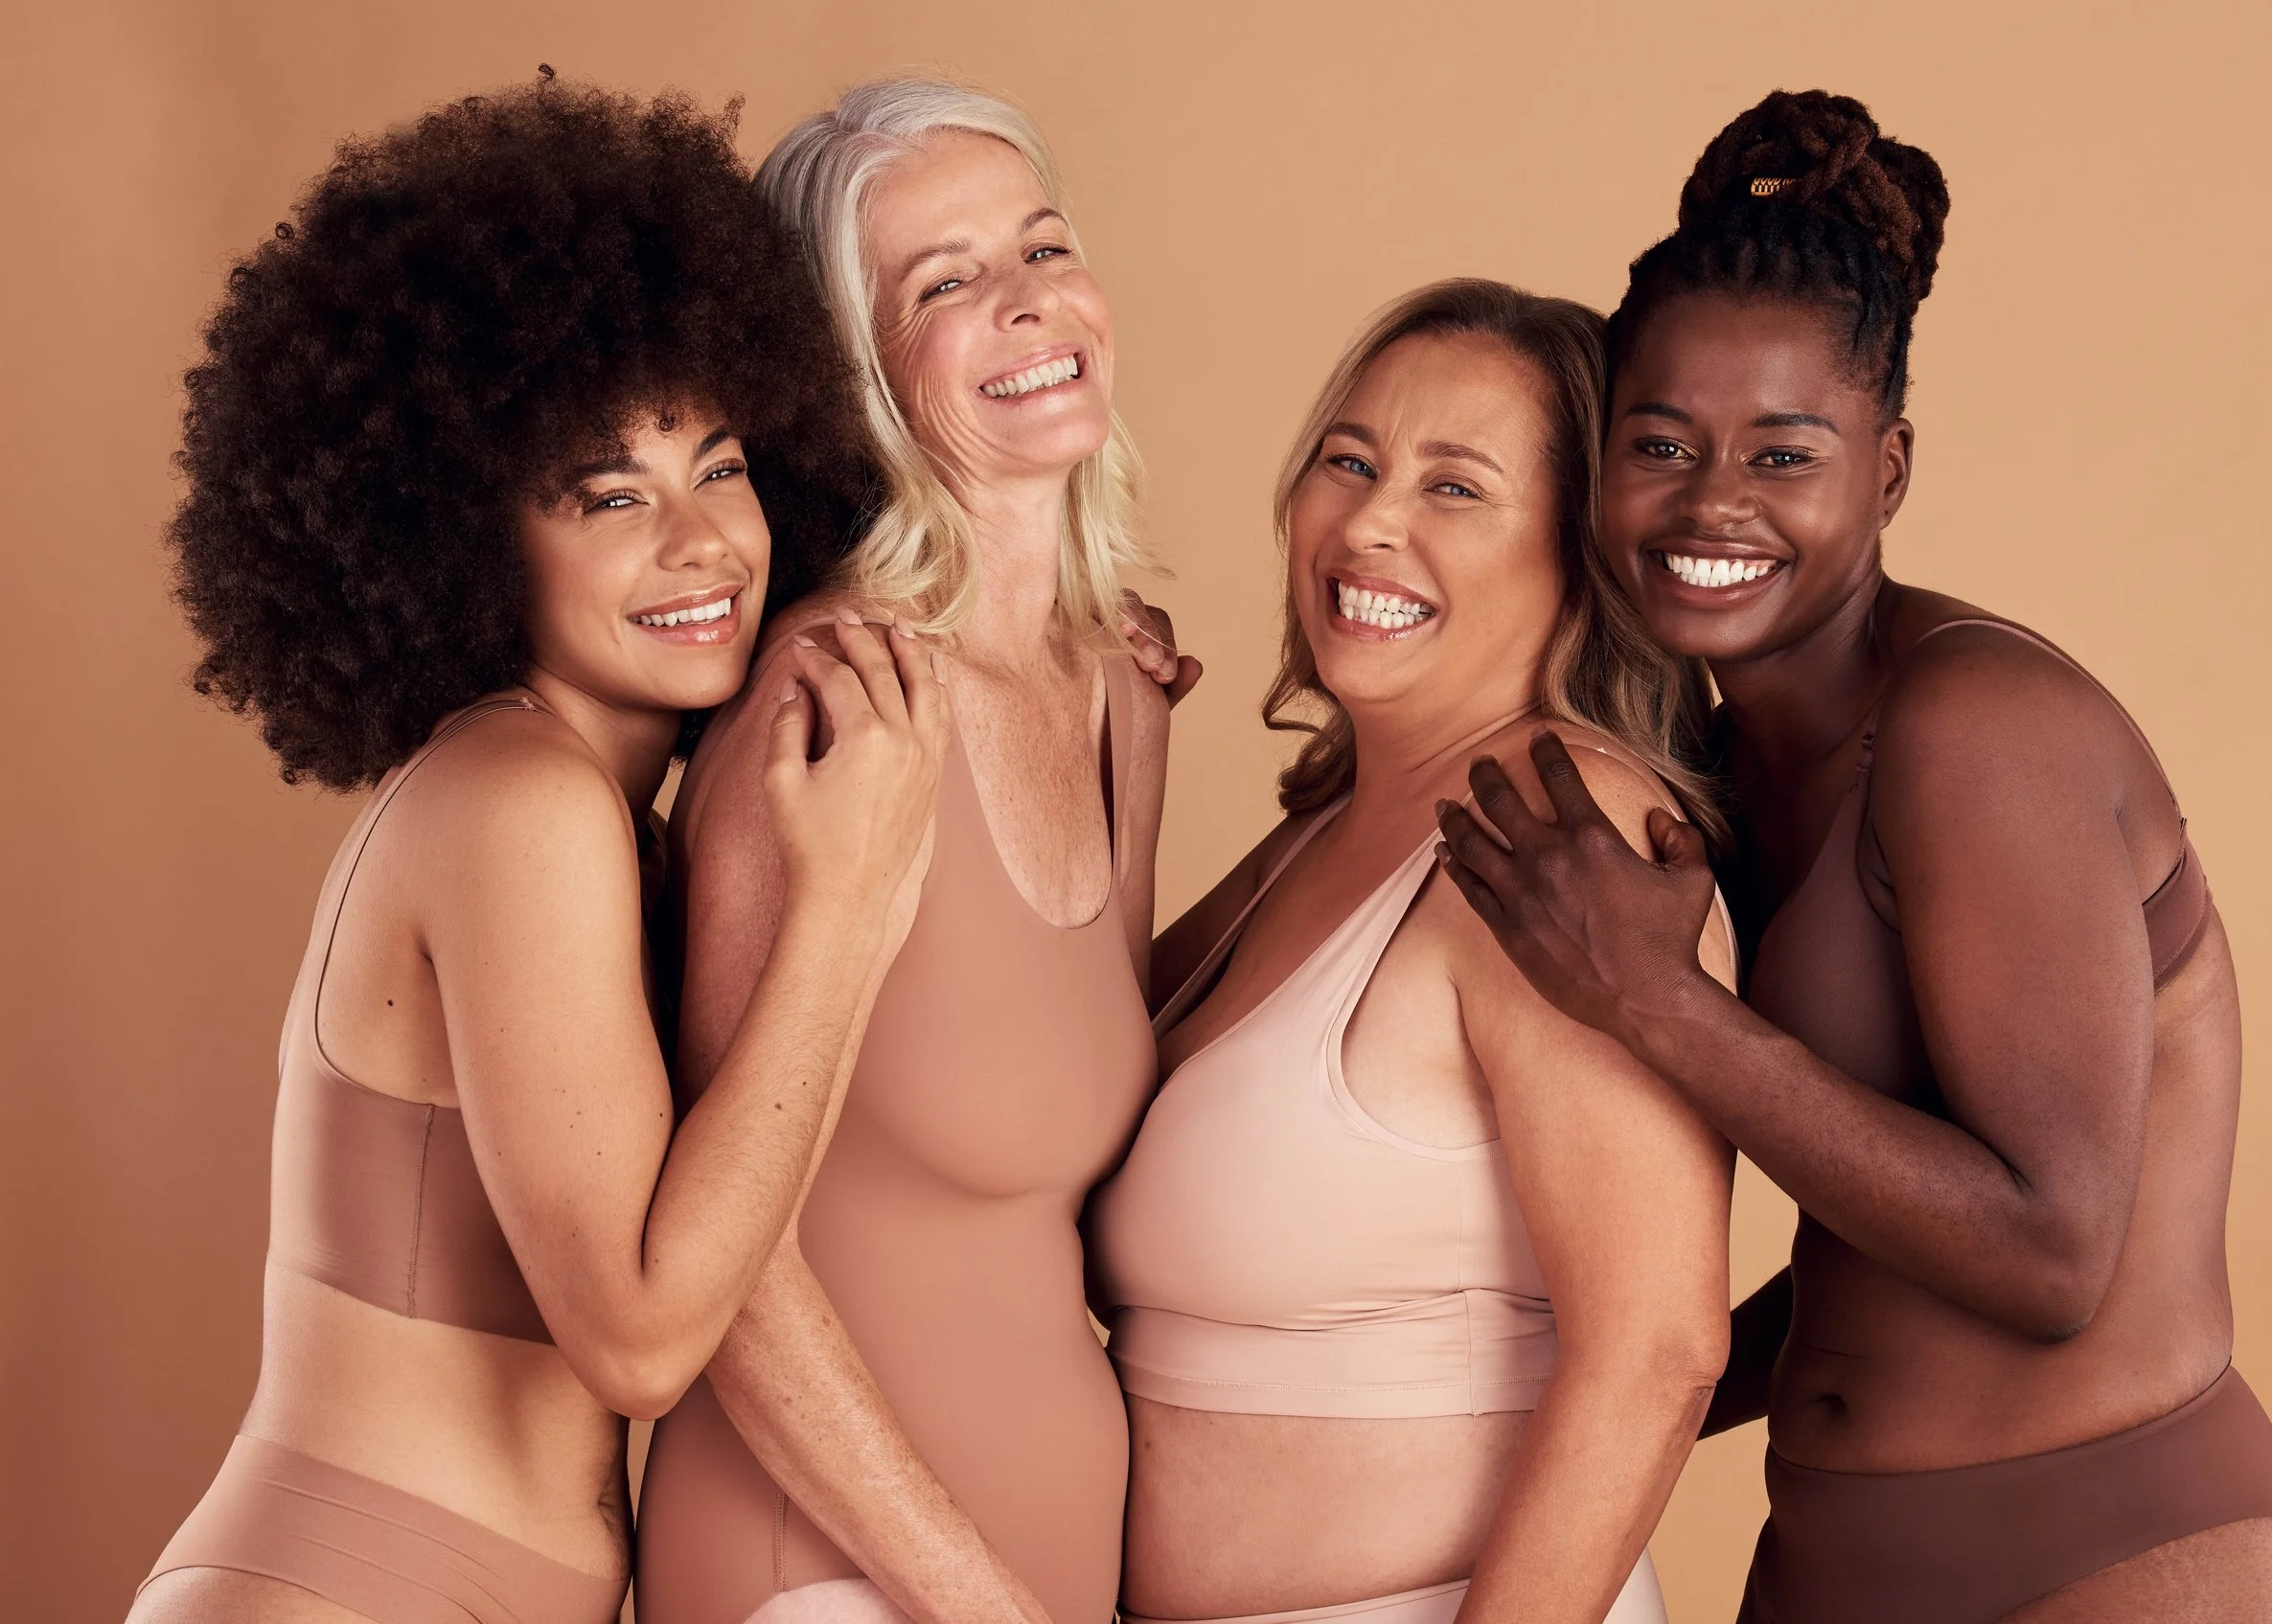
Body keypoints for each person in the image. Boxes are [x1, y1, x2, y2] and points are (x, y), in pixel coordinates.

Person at [1433, 90, 2272, 1624]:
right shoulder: (1721, 759)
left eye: (1785, 455)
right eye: (1662, 443)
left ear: (1890, 468)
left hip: (2118, 1555)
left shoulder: (1979, 729)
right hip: (1832, 1554)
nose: (1714, 501)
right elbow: (1876, 1229)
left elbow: (2053, 1251)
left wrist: (1656, 1002)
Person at [128, 77, 946, 1624]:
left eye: (718, 465)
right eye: (607, 495)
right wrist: (847, 899)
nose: (700, 542)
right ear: (462, 530)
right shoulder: (521, 804)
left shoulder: (588, 814)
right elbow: (638, 1337)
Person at [1089, 280, 1734, 1624]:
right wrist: (1120, 759)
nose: (1371, 521)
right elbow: (1068, 1082)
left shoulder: (1565, 835)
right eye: (1351, 460)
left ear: (1581, 547)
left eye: (1456, 486)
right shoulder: (1335, 826)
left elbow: (1658, 1346)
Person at [634, 79, 1179, 1624]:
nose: (1029, 304)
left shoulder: (1125, 689)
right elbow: (724, 1267)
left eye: (1041, 245)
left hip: (1051, 1562)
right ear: (850, 370)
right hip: (832, 1571)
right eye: (944, 283)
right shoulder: (829, 702)